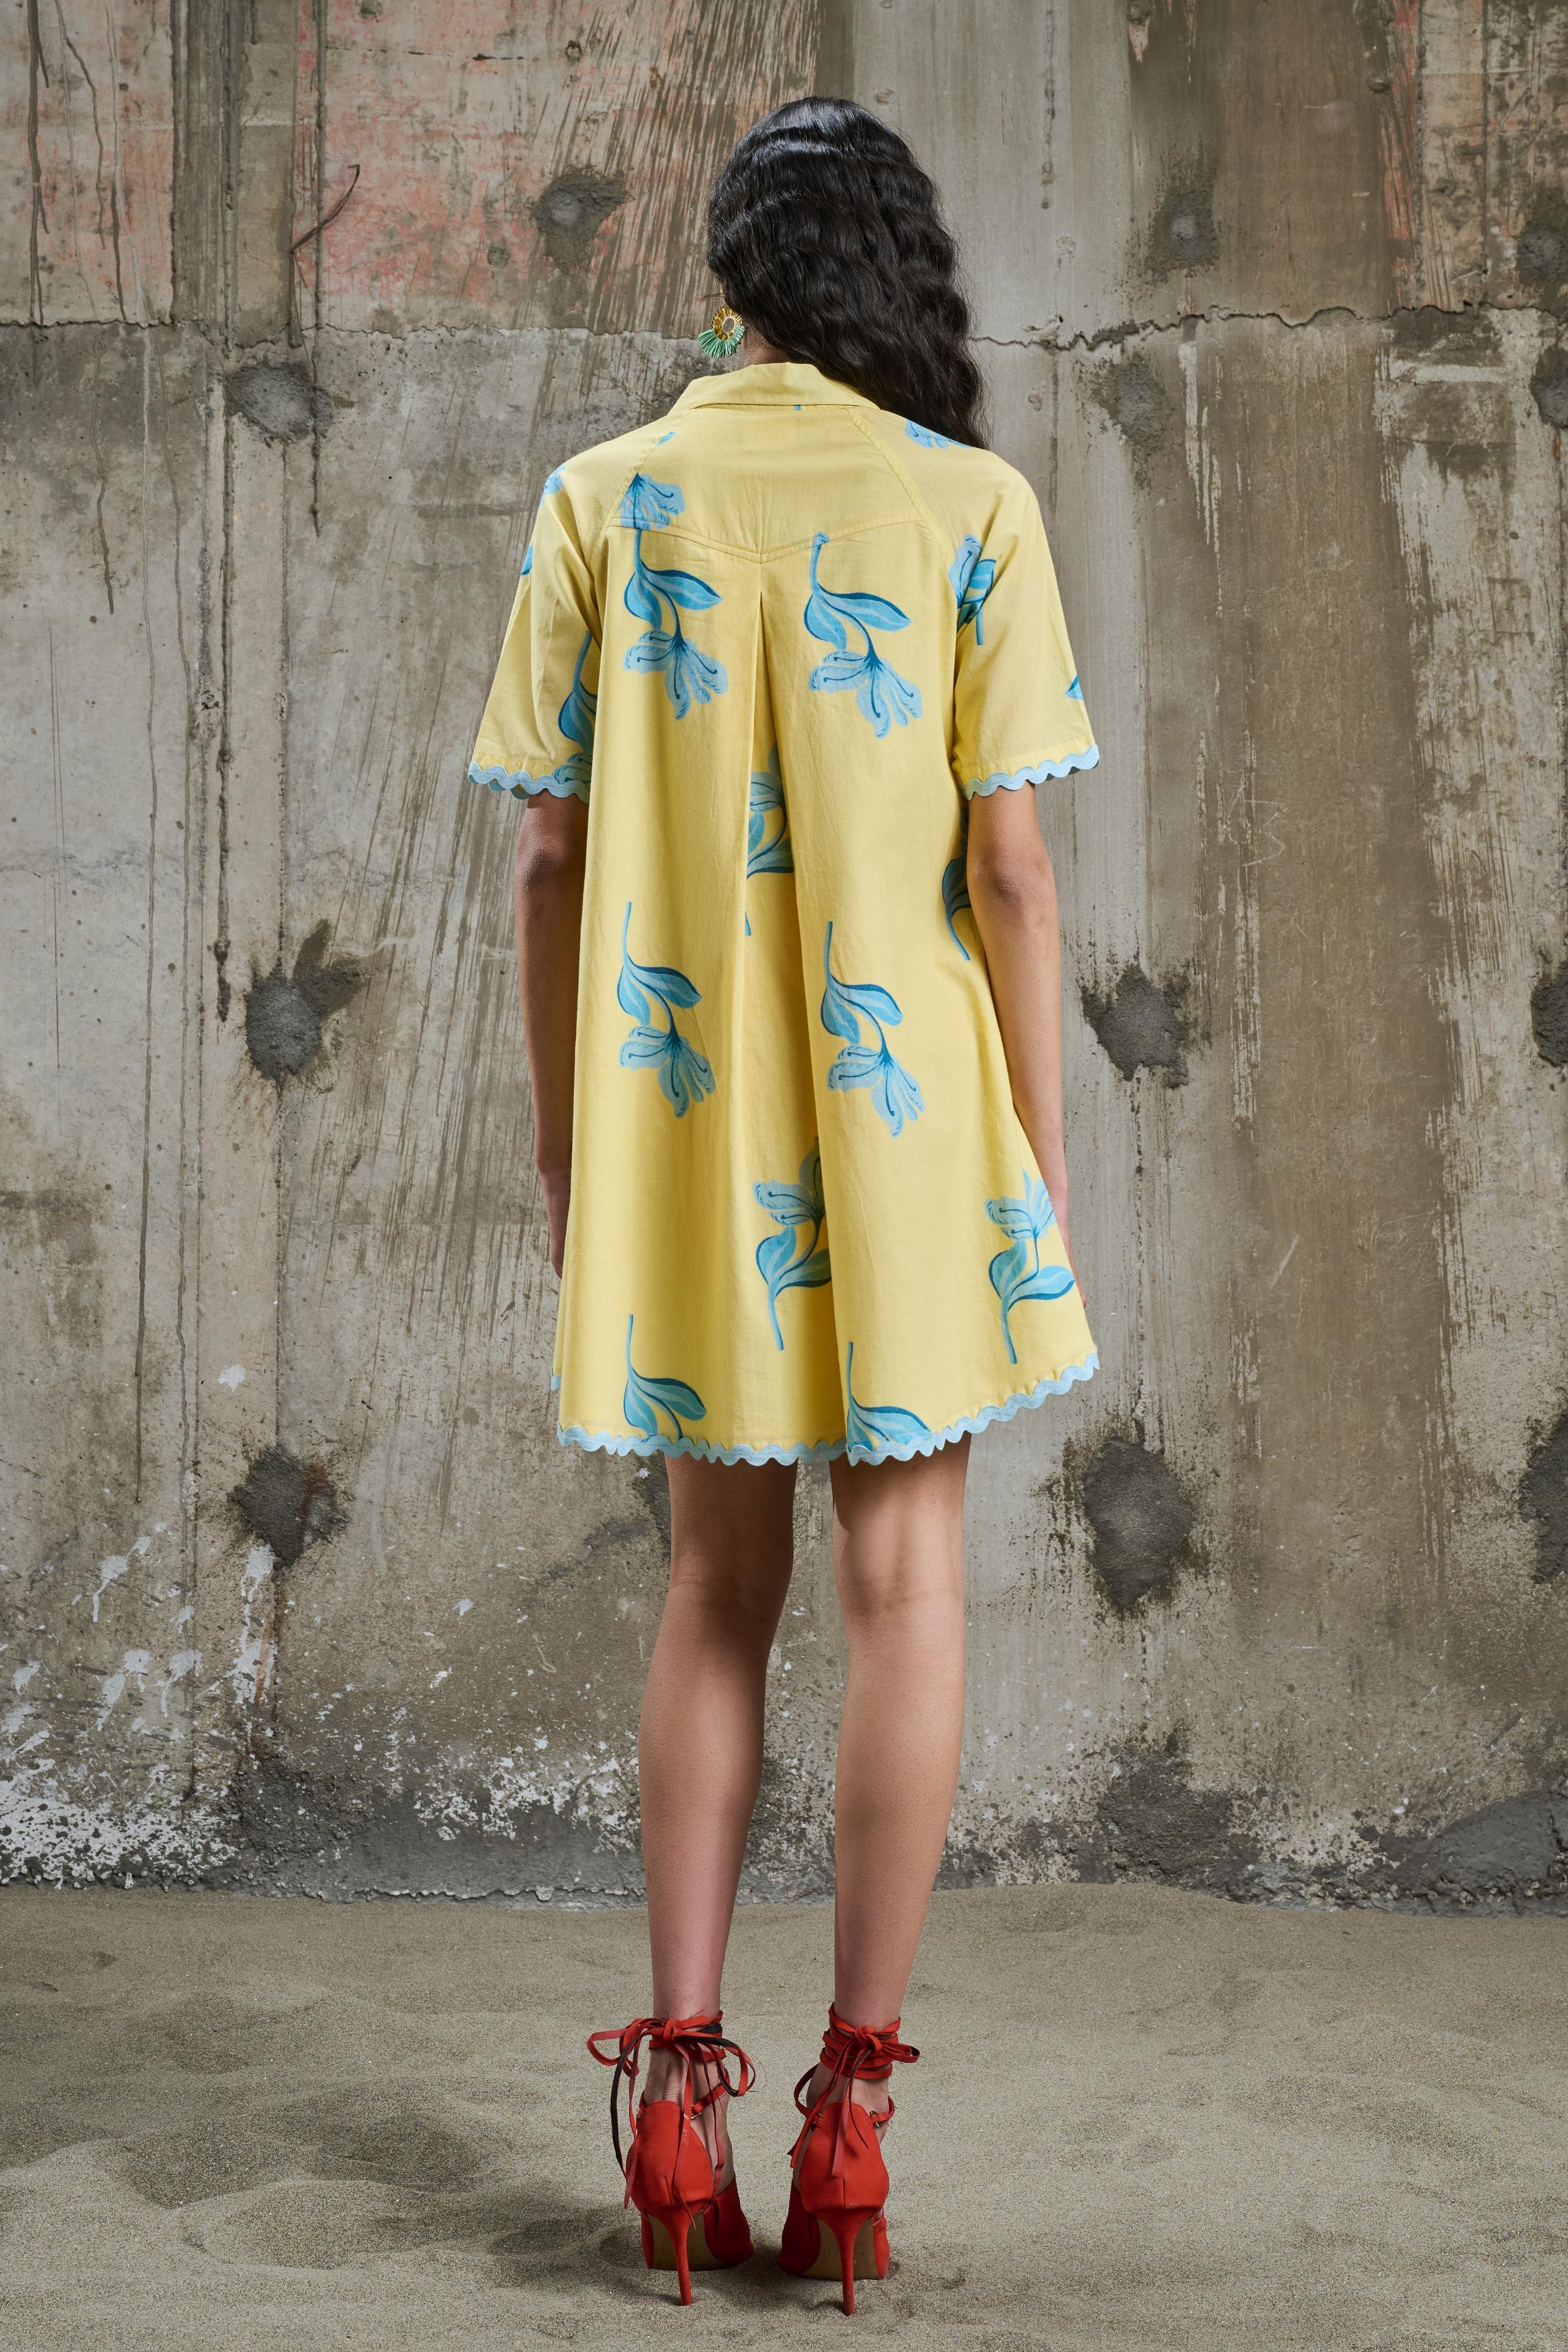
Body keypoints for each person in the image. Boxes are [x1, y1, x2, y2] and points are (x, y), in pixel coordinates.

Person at [468, 95, 1100, 2314]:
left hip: (680, 1135)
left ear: (724, 284)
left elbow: (548, 859)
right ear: (892, 278)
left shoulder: (602, 499)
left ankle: (675, 2099)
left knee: (709, 1589)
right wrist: (1030, 1154)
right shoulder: (970, 506)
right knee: (905, 1586)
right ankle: (851, 2117)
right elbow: (1011, 870)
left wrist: (572, 1145)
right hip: (912, 1132)